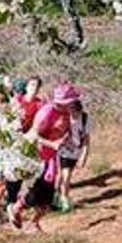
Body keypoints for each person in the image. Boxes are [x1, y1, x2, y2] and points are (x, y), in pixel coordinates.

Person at [8, 83, 76, 232]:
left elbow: (65, 130)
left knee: (48, 198)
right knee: (35, 192)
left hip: (52, 158)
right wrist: (52, 144)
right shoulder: (46, 113)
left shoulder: (66, 113)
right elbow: (33, 136)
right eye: (71, 101)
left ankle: (34, 222)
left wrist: (68, 141)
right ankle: (16, 208)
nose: (73, 104)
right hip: (38, 157)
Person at [6, 76, 46, 206]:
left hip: (31, 141)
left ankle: (25, 200)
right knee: (14, 170)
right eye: (32, 85)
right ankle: (10, 200)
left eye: (37, 86)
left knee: (29, 169)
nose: (34, 88)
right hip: (15, 139)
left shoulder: (40, 104)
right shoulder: (17, 101)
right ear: (27, 87)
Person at [56, 95, 91, 212]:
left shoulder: (85, 119)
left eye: (75, 112)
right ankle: (63, 198)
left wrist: (84, 156)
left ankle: (59, 197)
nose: (73, 115)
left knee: (63, 176)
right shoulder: (64, 117)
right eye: (70, 111)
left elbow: (86, 140)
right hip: (61, 150)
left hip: (75, 152)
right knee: (64, 175)